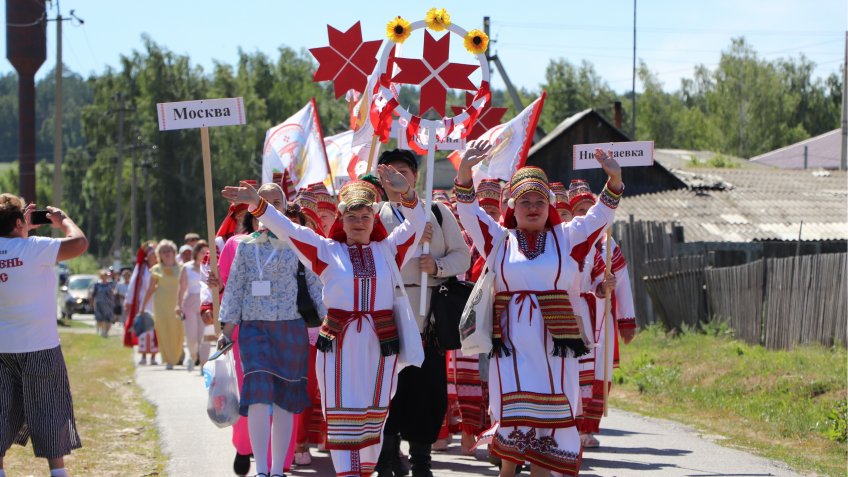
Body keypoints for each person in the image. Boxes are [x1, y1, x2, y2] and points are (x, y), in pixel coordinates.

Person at [222, 165, 425, 477]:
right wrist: (258, 205)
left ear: (374, 220)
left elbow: (417, 222)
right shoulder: (327, 250)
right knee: (342, 415)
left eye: (365, 217)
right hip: (339, 345)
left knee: (375, 415)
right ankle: (346, 473)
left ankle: (365, 470)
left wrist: (406, 194)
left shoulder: (389, 249)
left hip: (381, 344)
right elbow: (289, 230)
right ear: (341, 220)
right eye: (352, 217)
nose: (359, 223)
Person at [454, 140, 623, 477]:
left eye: (540, 201)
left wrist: (614, 181)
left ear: (550, 205)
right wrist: (463, 173)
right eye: (525, 202)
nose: (533, 208)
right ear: (512, 207)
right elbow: (469, 213)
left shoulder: (566, 237)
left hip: (555, 344)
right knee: (514, 417)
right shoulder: (499, 239)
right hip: (512, 342)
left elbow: (600, 215)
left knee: (550, 419)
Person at [375, 149, 471, 477]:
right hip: (387, 313)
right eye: (390, 174)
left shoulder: (438, 212)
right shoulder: (374, 214)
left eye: (404, 172)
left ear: (415, 177)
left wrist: (438, 265)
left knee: (427, 390)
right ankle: (386, 458)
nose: (397, 179)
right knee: (389, 388)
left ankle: (421, 462)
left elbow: (464, 257)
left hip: (427, 314)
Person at [219, 183, 325, 477]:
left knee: (285, 400)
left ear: (285, 206)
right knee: (257, 396)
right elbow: (235, 289)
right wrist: (226, 330)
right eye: (264, 201)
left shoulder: (300, 241)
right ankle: (262, 470)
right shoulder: (245, 246)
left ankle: (278, 469)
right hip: (253, 330)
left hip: (290, 328)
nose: (270, 207)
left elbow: (316, 285)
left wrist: (328, 322)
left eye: (276, 202)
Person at [0, 195, 88, 477]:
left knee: (1, 411)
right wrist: (63, 221)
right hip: (39, 344)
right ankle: (57, 473)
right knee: (50, 409)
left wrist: (20, 231)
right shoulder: (34, 248)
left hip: (3, 346)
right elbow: (79, 244)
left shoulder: (25, 246)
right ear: (17, 222)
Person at [568, 180, 637, 449]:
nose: (586, 215)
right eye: (580, 210)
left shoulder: (609, 246)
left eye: (590, 208)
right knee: (574, 372)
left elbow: (623, 283)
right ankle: (571, 426)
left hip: (601, 318)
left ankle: (588, 427)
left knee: (599, 372)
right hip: (576, 315)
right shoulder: (568, 240)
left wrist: (626, 320)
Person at [443, 178, 503, 455]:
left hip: (500, 318)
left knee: (496, 381)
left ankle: (497, 440)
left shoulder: (506, 237)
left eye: (494, 211)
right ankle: (468, 434)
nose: (490, 216)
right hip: (469, 316)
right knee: (466, 380)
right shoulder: (463, 238)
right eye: (485, 210)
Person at [292, 194, 327, 465]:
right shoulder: (256, 251)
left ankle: (301, 440)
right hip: (272, 330)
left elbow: (323, 294)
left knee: (306, 389)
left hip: (310, 332)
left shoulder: (313, 254)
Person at [140, 240, 185, 370]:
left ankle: (177, 355)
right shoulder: (155, 269)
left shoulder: (182, 268)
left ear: (174, 252)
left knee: (178, 332)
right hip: (161, 305)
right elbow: (150, 289)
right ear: (159, 254)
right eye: (163, 251)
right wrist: (142, 307)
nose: (167, 253)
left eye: (169, 250)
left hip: (178, 305)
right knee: (164, 332)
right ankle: (169, 359)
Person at [124, 241, 159, 365]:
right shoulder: (141, 268)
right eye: (152, 255)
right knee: (144, 328)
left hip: (157, 302)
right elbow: (133, 284)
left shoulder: (161, 268)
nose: (154, 257)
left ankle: (154, 356)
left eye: (155, 255)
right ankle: (144, 355)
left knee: (155, 330)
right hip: (143, 300)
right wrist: (128, 300)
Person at [177, 240, 210, 372]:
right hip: (190, 302)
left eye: (207, 252)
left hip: (205, 303)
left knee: (204, 335)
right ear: (196, 253)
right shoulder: (187, 267)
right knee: (191, 336)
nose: (205, 254)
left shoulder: (210, 266)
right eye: (202, 252)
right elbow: (182, 288)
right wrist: (178, 305)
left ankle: (204, 364)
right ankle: (192, 355)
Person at [90, 269, 116, 338]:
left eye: (106, 275)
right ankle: (102, 330)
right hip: (99, 304)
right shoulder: (97, 285)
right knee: (100, 319)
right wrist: (92, 303)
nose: (105, 277)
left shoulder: (111, 284)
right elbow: (93, 295)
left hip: (109, 304)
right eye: (103, 275)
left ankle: (106, 332)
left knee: (108, 319)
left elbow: (114, 292)